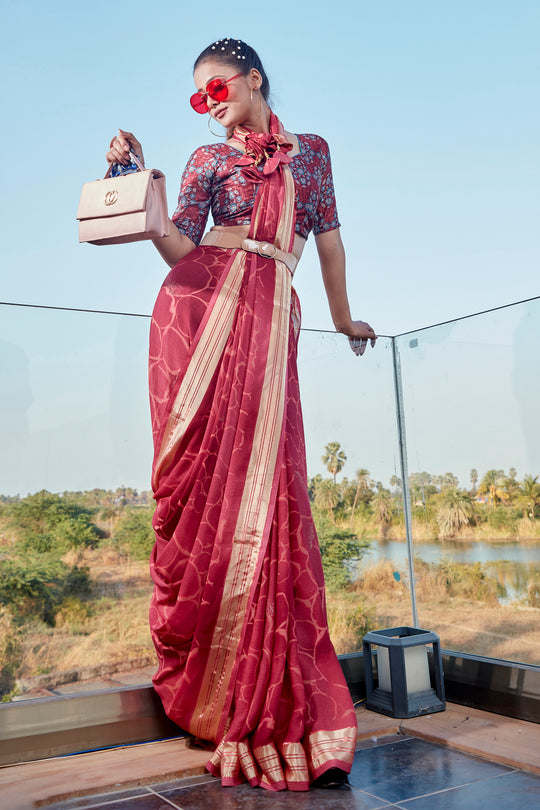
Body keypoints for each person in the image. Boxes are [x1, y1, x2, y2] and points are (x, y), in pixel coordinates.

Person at [106, 37, 376, 792]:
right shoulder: (205, 159)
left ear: (253, 79)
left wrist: (345, 319)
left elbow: (329, 246)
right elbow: (179, 247)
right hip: (197, 319)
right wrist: (137, 179)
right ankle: (218, 693)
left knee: (272, 488)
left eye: (217, 87)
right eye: (199, 96)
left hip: (271, 314)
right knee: (205, 495)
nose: (210, 103)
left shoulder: (312, 154)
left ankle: (280, 697)